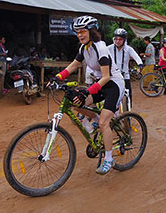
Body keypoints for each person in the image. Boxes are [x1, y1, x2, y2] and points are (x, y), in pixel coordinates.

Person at [47, 15, 125, 175]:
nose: (80, 35)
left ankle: (109, 158)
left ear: (91, 31)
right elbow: (74, 65)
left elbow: (106, 77)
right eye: (77, 32)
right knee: (76, 102)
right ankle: (95, 121)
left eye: (83, 31)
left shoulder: (100, 48)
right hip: (100, 84)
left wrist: (87, 91)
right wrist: (58, 77)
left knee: (104, 123)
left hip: (114, 85)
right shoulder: (84, 48)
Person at [107, 28, 143, 106]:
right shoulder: (109, 48)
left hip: (125, 75)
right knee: (110, 95)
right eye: (116, 39)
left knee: (128, 94)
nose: (117, 41)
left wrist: (139, 65)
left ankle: (128, 113)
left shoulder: (128, 49)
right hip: (112, 76)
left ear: (124, 40)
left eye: (120, 39)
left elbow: (137, 57)